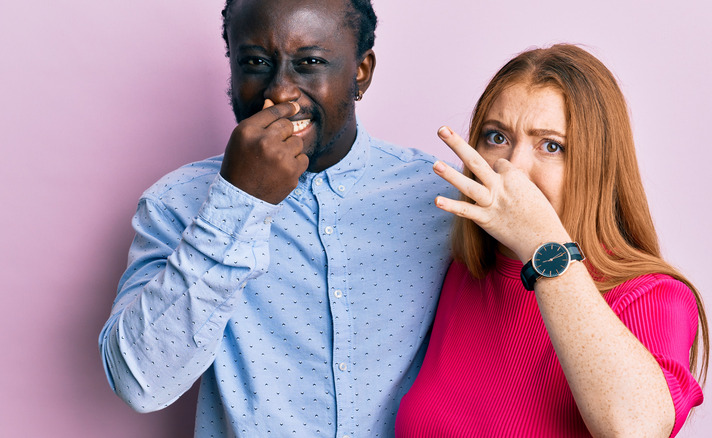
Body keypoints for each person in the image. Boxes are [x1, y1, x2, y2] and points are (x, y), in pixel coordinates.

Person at [98, 1, 454, 436]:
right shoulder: (175, 202)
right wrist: (238, 201)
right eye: (256, 63)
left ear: (361, 72)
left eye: (310, 63)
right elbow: (139, 383)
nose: (280, 92)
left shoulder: (439, 198)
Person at [396, 44, 709, 437]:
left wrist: (542, 244)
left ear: (597, 166)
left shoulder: (652, 296)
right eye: (496, 137)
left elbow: (637, 429)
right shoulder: (464, 272)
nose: (512, 167)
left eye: (551, 146)